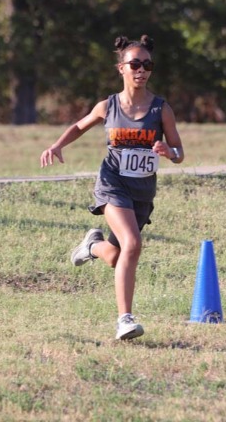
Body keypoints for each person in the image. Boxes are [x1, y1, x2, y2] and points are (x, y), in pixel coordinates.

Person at [40, 34, 184, 341]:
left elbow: (179, 152)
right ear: (122, 68)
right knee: (132, 244)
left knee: (119, 258)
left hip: (142, 192)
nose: (141, 70)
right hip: (112, 183)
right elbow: (79, 126)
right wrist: (57, 145)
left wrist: (168, 152)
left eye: (147, 65)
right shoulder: (108, 106)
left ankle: (93, 246)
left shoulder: (162, 110)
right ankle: (125, 320)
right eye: (135, 64)